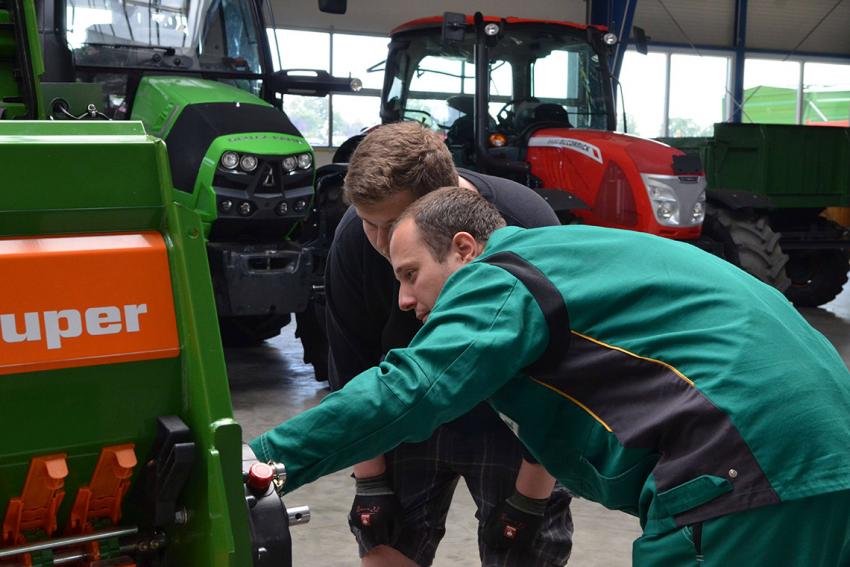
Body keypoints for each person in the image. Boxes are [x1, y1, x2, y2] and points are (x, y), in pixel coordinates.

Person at [252, 187, 850, 566]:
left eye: (410, 274)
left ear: (464, 249)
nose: (404, 300)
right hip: (825, 454)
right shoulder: (571, 256)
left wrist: (261, 461)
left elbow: (408, 391)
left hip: (745, 466)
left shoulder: (499, 275)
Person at [323, 121, 573, 567]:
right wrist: (371, 481)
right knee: (383, 546)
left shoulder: (525, 224)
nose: (380, 243)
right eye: (367, 223)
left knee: (525, 552)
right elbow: (352, 366)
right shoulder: (355, 240)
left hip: (510, 416)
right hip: (406, 407)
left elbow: (559, 377)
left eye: (391, 225)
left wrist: (532, 496)